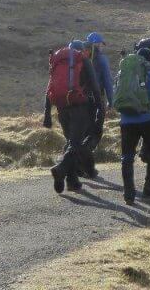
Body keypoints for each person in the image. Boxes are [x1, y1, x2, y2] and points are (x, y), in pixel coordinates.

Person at [43, 39, 102, 194]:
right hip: (79, 108)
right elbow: (96, 88)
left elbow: (49, 88)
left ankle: (72, 181)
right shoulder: (83, 60)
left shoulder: (58, 61)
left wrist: (47, 115)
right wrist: (100, 110)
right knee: (75, 144)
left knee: (71, 143)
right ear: (81, 51)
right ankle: (60, 168)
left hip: (62, 109)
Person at [117, 47, 150, 204]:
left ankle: (129, 193)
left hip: (126, 120)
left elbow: (116, 93)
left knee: (127, 157)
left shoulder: (122, 72)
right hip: (148, 119)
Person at [82, 32, 115, 178]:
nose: (102, 46)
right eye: (101, 43)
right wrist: (111, 100)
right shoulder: (101, 60)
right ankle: (83, 162)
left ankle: (79, 162)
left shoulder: (80, 57)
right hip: (97, 98)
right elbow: (108, 80)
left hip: (80, 99)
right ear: (97, 44)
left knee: (84, 131)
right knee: (96, 131)